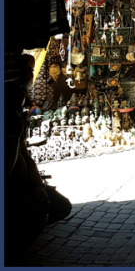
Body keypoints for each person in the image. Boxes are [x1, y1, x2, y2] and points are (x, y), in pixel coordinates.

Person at [5, 54, 72, 265]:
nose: (30, 75)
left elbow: (21, 150)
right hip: (15, 186)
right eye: (27, 70)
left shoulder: (16, 114)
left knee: (59, 206)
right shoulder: (10, 116)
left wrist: (36, 184)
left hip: (23, 180)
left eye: (31, 71)